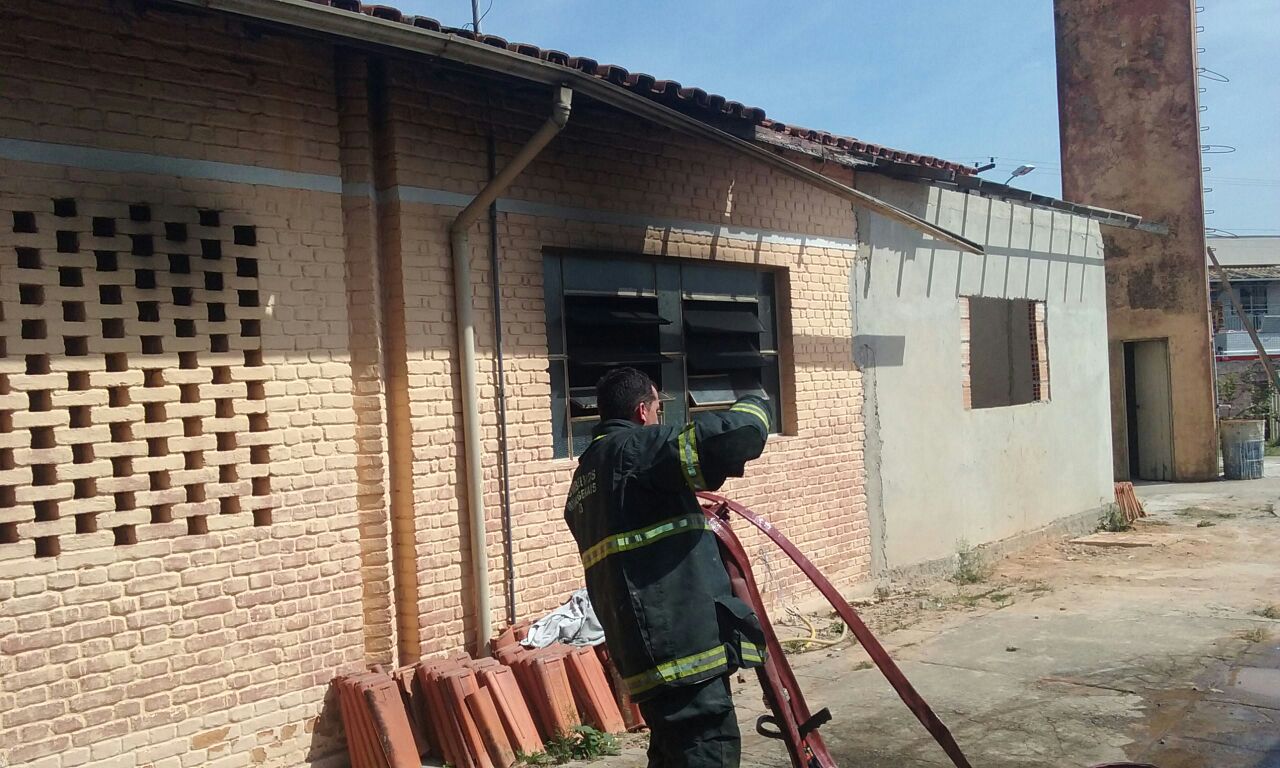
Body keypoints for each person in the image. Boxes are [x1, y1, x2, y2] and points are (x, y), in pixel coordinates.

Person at [563, 366, 771, 768]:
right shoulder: (636, 452)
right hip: (683, 653)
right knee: (706, 751)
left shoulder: (583, 483)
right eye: (659, 409)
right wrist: (757, 405)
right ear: (643, 411)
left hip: (643, 656)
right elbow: (727, 440)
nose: (659, 418)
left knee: (671, 753)